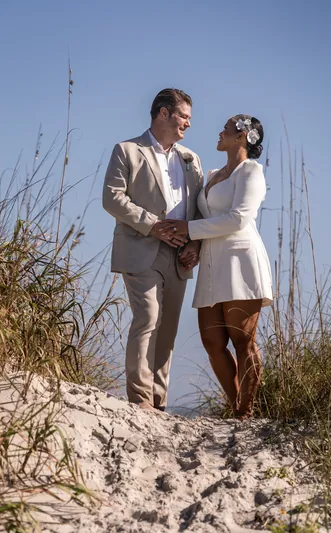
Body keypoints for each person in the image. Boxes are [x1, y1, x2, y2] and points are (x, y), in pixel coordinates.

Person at [102, 88, 204, 412]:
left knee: (169, 328)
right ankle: (140, 399)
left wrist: (197, 244)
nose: (188, 124)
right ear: (163, 113)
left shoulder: (191, 159)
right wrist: (152, 224)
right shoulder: (127, 150)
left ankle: (159, 401)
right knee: (148, 316)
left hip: (179, 255)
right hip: (140, 246)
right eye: (183, 117)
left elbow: (200, 208)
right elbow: (112, 198)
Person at [166, 115, 272, 419]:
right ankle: (235, 402)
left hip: (241, 261)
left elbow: (238, 219)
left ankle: (245, 410)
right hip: (211, 263)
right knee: (212, 340)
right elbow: (205, 216)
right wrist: (195, 243)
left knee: (242, 339)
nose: (220, 131)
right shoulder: (213, 173)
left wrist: (189, 230)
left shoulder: (251, 172)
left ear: (242, 137)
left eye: (227, 128)